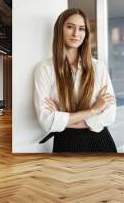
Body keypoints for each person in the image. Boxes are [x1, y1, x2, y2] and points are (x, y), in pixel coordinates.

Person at [34, 8, 117, 153]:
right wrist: (95, 110)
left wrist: (63, 120)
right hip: (65, 143)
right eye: (70, 27)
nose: (76, 34)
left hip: (101, 141)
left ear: (86, 34)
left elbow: (109, 115)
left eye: (81, 29)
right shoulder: (45, 69)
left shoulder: (98, 67)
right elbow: (46, 120)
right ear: (60, 30)